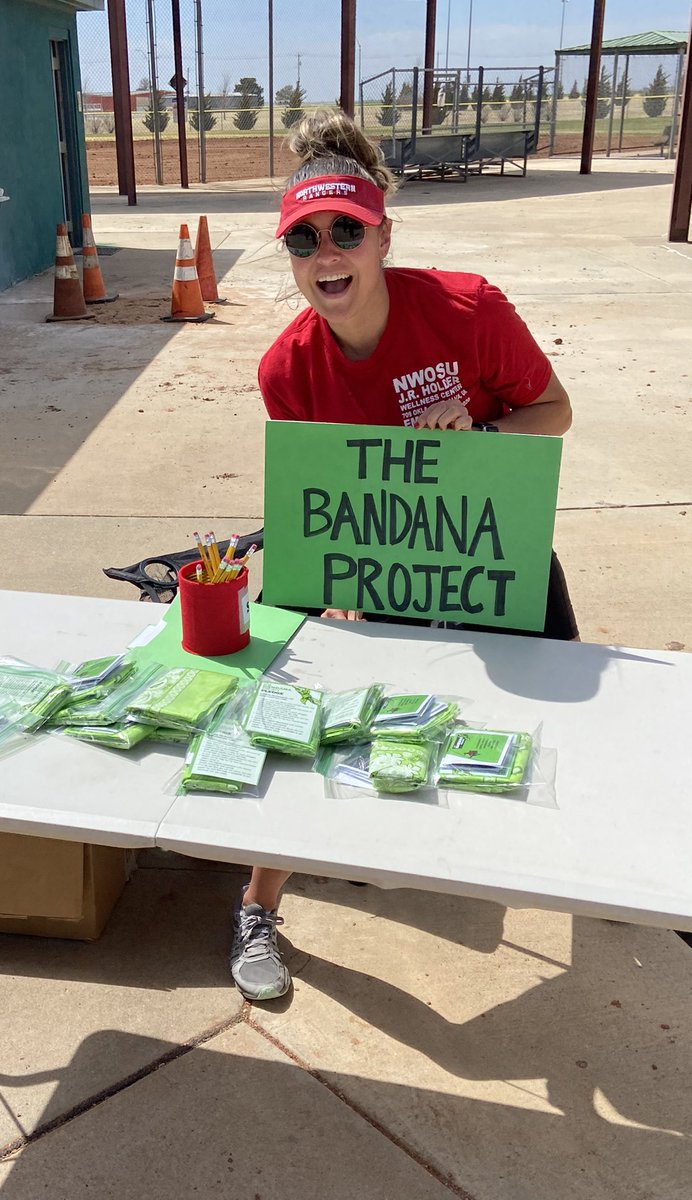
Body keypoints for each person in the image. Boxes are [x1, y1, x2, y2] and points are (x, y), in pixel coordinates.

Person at [230, 111, 577, 1002]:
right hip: (379, 565)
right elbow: (316, 504)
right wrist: (327, 586)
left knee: (567, 715)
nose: (326, 253)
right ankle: (258, 901)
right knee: (295, 698)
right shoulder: (285, 370)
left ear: (383, 237)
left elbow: (554, 412)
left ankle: (600, 860)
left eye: (346, 231)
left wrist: (482, 436)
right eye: (304, 239)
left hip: (489, 551)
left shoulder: (468, 309)